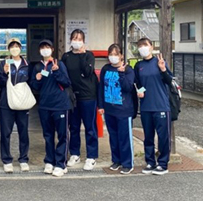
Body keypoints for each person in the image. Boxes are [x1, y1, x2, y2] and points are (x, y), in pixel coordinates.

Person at [30, 39, 71, 177]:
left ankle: (61, 164)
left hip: (60, 105)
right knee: (48, 135)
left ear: (52, 49)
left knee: (62, 135)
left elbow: (66, 83)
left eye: (47, 47)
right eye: (42, 47)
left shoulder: (59, 64)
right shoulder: (37, 67)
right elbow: (35, 86)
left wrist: (57, 71)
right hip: (44, 106)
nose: (45, 50)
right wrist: (37, 79)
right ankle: (49, 161)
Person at [61, 29, 99, 171]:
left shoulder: (89, 55)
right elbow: (63, 74)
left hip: (88, 96)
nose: (76, 41)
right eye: (74, 38)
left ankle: (91, 156)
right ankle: (75, 153)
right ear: (70, 40)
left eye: (79, 39)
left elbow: (88, 71)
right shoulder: (66, 56)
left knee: (90, 127)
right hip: (72, 96)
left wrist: (82, 54)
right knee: (74, 127)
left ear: (83, 41)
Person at [134, 38, 172, 175]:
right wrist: (140, 91)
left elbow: (169, 81)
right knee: (148, 137)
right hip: (145, 107)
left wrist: (163, 70)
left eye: (145, 45)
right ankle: (150, 162)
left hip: (161, 105)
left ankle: (163, 164)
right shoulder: (138, 66)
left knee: (163, 137)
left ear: (151, 47)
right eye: (140, 46)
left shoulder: (159, 62)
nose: (142, 48)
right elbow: (138, 83)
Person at [98, 44, 136, 174]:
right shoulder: (105, 69)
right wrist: (101, 105)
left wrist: (121, 74)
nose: (113, 57)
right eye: (111, 54)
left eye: (115, 54)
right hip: (109, 109)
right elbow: (101, 87)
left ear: (121, 56)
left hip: (124, 109)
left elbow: (128, 88)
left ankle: (127, 163)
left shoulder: (128, 70)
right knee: (113, 137)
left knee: (124, 137)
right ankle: (116, 160)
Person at [0, 38, 31, 173]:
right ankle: (6, 160)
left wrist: (44, 75)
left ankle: (23, 159)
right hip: (7, 102)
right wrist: (4, 73)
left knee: (23, 131)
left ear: (21, 48)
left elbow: (33, 80)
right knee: (5, 132)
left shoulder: (27, 64)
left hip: (22, 102)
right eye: (12, 46)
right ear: (9, 48)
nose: (15, 48)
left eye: (17, 45)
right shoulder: (4, 63)